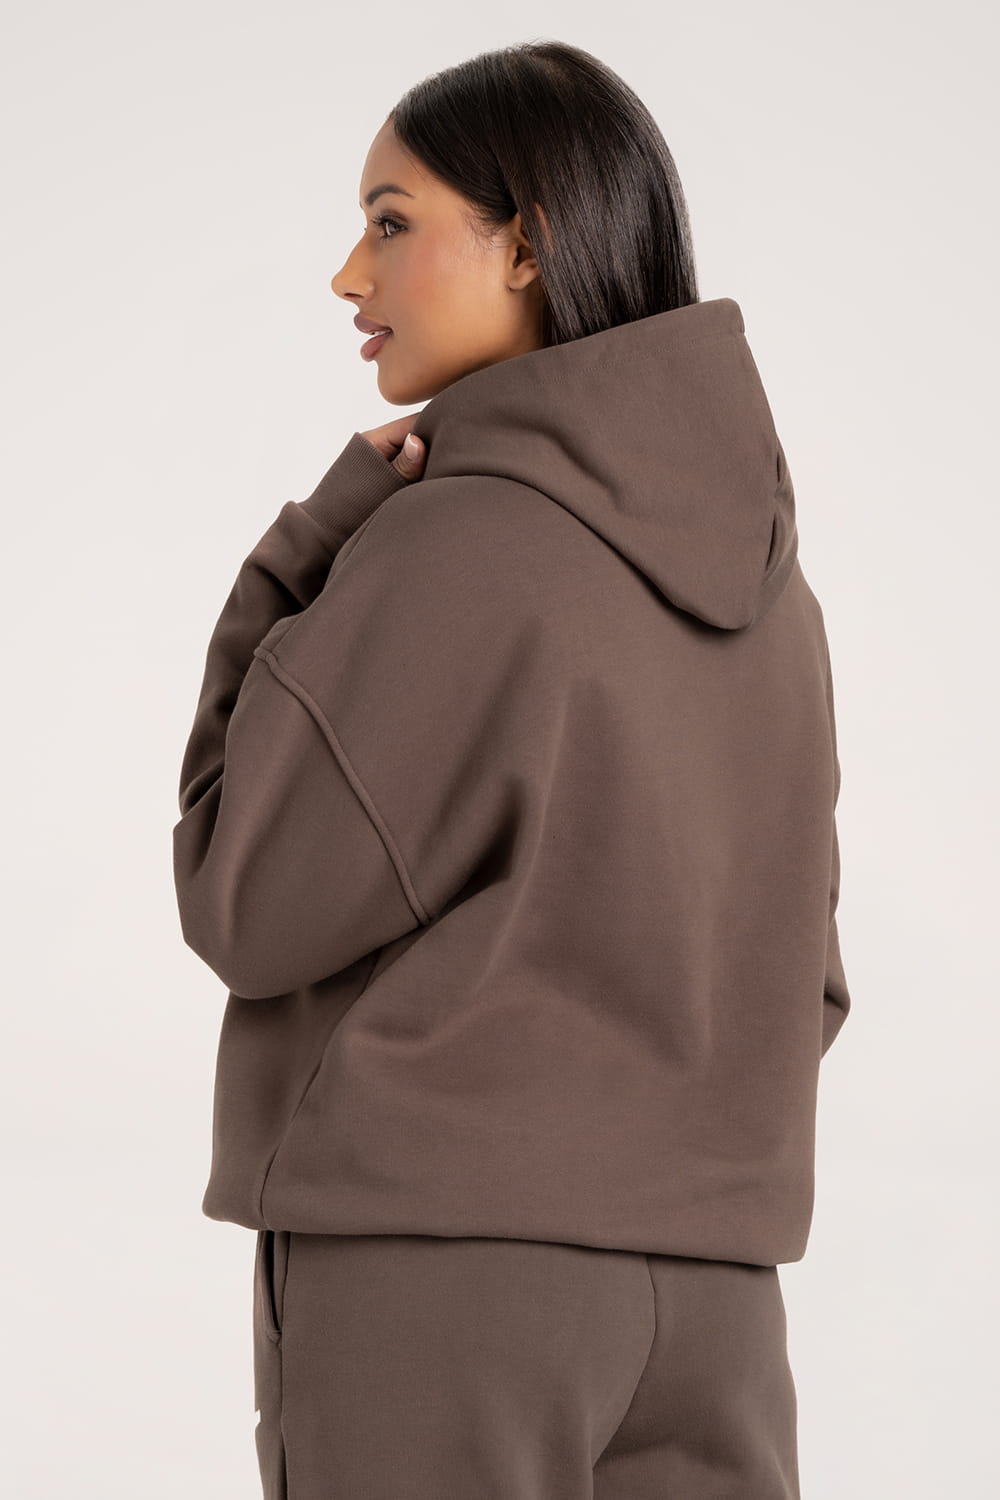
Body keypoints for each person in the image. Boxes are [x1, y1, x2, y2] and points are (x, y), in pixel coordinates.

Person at [171, 37, 852, 1500]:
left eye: (391, 222)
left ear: (528, 244)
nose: (348, 276)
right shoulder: (774, 596)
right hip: (721, 1306)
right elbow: (806, 985)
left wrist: (310, 544)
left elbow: (246, 897)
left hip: (445, 1287)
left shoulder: (453, 544)